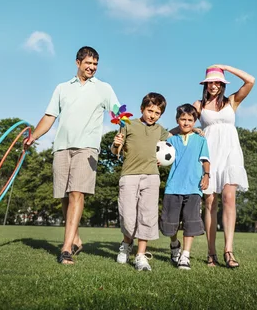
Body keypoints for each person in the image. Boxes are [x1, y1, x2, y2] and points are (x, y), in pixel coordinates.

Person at [24, 46, 119, 265]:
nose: (92, 67)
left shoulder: (104, 88)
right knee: (64, 195)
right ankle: (75, 238)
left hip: (87, 148)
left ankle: (66, 248)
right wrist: (32, 137)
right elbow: (49, 117)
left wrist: (124, 126)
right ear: (78, 63)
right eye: (88, 63)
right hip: (62, 147)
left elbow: (118, 113)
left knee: (77, 193)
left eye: (95, 64)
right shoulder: (62, 88)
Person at [193, 64, 255, 268]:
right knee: (210, 202)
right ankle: (211, 253)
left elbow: (250, 80)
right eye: (210, 82)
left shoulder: (232, 101)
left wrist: (227, 68)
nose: (213, 86)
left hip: (231, 153)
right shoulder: (199, 105)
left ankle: (229, 251)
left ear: (222, 84)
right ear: (205, 84)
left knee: (229, 198)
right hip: (209, 155)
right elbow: (186, 123)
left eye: (217, 82)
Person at [111, 92, 169, 271]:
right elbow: (115, 151)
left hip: (152, 177)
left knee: (147, 216)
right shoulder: (127, 125)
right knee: (128, 216)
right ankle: (126, 244)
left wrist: (163, 157)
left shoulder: (160, 130)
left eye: (157, 113)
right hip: (129, 175)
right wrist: (115, 143)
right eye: (150, 110)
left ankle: (141, 255)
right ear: (142, 109)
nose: (152, 115)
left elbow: (170, 143)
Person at [159, 104, 210, 271]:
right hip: (173, 187)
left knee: (191, 222)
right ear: (177, 120)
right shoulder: (170, 141)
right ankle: (174, 245)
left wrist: (206, 175)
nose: (186, 123)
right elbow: (161, 153)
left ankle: (185, 256)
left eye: (190, 120)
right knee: (170, 224)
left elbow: (205, 160)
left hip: (193, 188)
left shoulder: (201, 140)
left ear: (195, 121)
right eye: (183, 119)